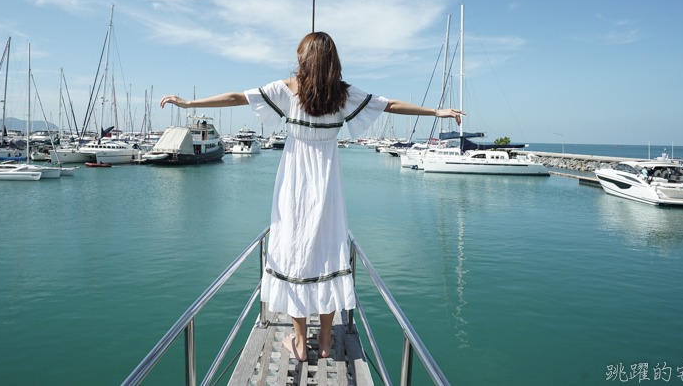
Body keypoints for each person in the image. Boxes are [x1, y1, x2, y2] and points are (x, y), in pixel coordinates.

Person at [160, 32, 464, 362]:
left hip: (294, 181)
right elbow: (389, 104)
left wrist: (189, 104)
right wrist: (436, 112)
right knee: (329, 250)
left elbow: (237, 98)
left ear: (304, 59)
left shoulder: (288, 89)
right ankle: (326, 341)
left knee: (294, 250)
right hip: (328, 181)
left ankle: (300, 343)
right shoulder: (343, 94)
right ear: (332, 60)